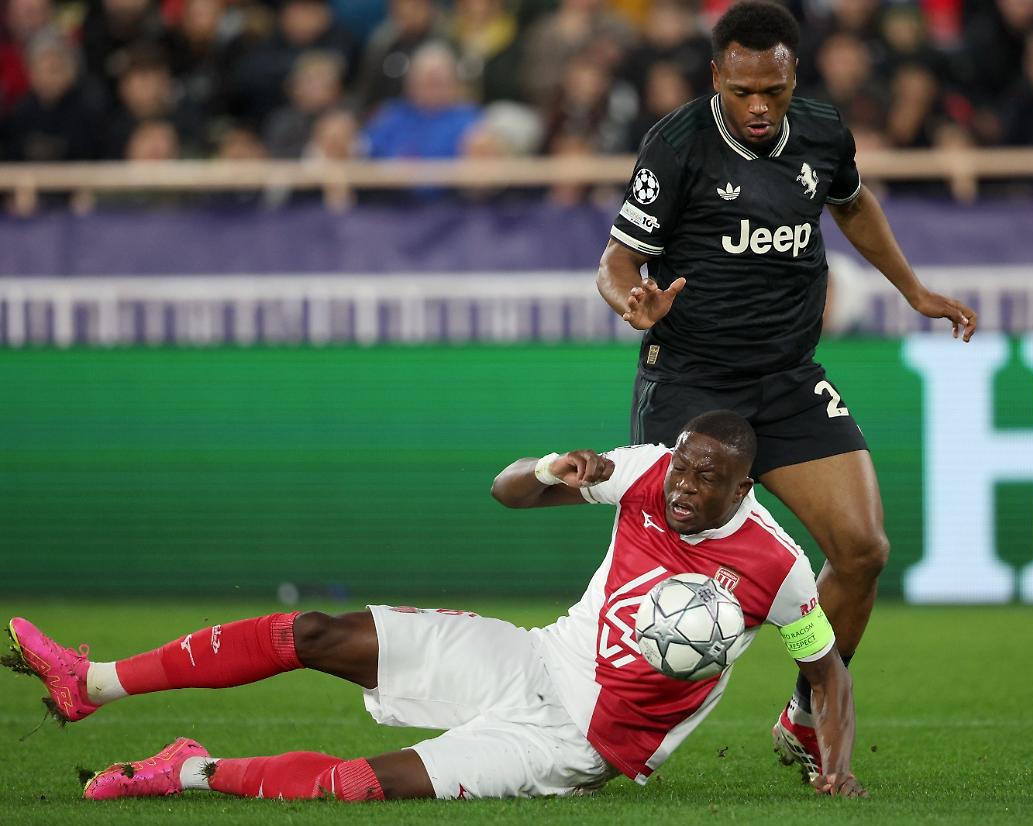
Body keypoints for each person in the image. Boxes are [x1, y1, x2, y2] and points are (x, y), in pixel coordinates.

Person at [7, 411, 865, 802]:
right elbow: (505, 492)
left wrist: (836, 764)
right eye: (681, 467)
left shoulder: (779, 569)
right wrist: (549, 469)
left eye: (705, 480)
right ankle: (92, 683)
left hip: (574, 744)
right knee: (316, 631)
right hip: (533, 658)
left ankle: (187, 770)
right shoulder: (642, 471)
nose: (682, 487)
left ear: (742, 490)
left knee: (358, 786)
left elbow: (826, 671)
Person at [595, 0, 977, 784]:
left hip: (789, 378)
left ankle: (805, 718)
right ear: (717, 77)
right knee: (665, 582)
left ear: (793, 74)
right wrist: (629, 300)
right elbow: (617, 259)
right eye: (742, 91)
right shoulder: (677, 144)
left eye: (772, 90)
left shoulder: (824, 131)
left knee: (863, 550)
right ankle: (602, 732)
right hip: (693, 385)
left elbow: (852, 203)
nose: (759, 106)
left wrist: (912, 289)